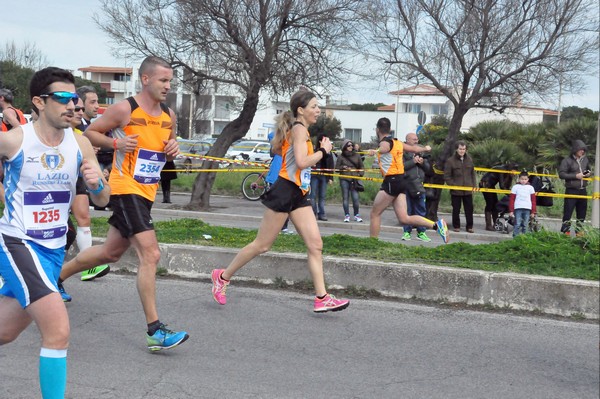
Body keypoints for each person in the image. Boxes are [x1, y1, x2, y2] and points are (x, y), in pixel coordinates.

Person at [57, 56, 189, 351]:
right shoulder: (124, 109)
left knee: (111, 252)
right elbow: (89, 133)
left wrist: (172, 149)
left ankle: (56, 278)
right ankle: (155, 331)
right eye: (163, 81)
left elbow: (166, 150)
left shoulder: (168, 114)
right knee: (150, 254)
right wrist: (116, 144)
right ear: (145, 79)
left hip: (147, 191)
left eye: (170, 81)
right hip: (125, 187)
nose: (168, 86)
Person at [0, 67, 110, 398]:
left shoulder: (80, 143)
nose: (72, 105)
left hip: (53, 249)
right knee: (58, 331)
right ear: (39, 102)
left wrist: (96, 183)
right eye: (62, 98)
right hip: (17, 242)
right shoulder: (15, 139)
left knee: (4, 332)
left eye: (74, 98)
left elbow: (103, 199)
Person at [211, 89, 350, 313]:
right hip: (285, 191)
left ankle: (321, 297)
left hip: (299, 193)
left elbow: (283, 153)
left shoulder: (298, 130)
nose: (318, 110)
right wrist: (324, 151)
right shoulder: (298, 129)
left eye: (318, 107)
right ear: (301, 110)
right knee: (262, 245)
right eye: (314, 107)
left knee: (315, 245)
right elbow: (304, 162)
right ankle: (222, 277)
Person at [369, 117, 449, 243]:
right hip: (401, 181)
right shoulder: (398, 142)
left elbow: (384, 148)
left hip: (391, 181)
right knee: (404, 218)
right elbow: (414, 149)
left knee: (375, 213)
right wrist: (425, 149)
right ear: (390, 129)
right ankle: (436, 225)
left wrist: (376, 151)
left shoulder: (385, 142)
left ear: (377, 129)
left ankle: (372, 243)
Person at [66, 96, 110, 287]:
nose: (80, 112)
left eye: (81, 109)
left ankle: (87, 267)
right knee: (66, 233)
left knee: (84, 219)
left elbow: (102, 200)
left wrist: (98, 181)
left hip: (77, 179)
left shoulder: (81, 136)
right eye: (77, 109)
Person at [402, 132, 432, 242]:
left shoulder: (421, 150)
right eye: (414, 139)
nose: (416, 141)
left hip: (419, 185)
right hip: (406, 185)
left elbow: (428, 169)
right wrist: (413, 161)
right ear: (407, 140)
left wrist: (422, 162)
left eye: (417, 139)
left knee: (421, 210)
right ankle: (406, 232)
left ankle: (421, 232)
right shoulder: (402, 151)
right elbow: (400, 167)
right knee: (407, 210)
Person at [558, 139, 591, 235]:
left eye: (584, 150)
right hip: (571, 190)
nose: (582, 151)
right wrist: (575, 176)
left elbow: (588, 169)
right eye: (581, 149)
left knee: (582, 213)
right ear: (575, 150)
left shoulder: (585, 160)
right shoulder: (566, 161)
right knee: (568, 212)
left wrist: (588, 173)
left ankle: (579, 231)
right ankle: (565, 231)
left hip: (582, 190)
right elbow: (561, 174)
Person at [444, 141, 477, 233]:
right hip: (456, 191)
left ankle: (469, 227)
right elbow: (447, 176)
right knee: (456, 209)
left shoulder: (469, 159)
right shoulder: (450, 161)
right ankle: (456, 226)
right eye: (460, 149)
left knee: (469, 209)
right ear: (456, 149)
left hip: (468, 190)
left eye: (464, 149)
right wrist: (453, 185)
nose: (462, 151)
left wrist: (474, 185)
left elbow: (472, 173)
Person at [265, 131, 293, 234]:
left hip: (284, 177)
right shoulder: (279, 146)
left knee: (283, 204)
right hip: (278, 177)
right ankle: (277, 227)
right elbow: (272, 135)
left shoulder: (287, 148)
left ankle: (282, 227)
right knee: (279, 204)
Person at [335, 139, 364, 223]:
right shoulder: (341, 156)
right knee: (345, 198)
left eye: (352, 145)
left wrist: (360, 174)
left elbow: (361, 166)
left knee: (355, 198)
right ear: (345, 147)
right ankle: (347, 215)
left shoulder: (357, 155)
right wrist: (342, 167)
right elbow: (336, 169)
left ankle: (356, 215)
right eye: (349, 145)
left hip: (354, 179)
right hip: (344, 179)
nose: (351, 147)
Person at [479, 164, 515, 231]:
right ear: (510, 170)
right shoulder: (502, 170)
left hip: (491, 185)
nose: (514, 174)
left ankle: (496, 223)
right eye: (514, 172)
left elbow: (506, 187)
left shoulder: (507, 173)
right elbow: (501, 186)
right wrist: (510, 194)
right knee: (490, 204)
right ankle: (488, 225)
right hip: (485, 184)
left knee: (495, 203)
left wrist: (510, 193)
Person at [309, 133, 334, 221]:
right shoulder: (314, 151)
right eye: (325, 140)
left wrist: (331, 178)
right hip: (314, 175)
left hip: (324, 175)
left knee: (322, 196)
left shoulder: (329, 153)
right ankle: (313, 212)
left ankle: (322, 213)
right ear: (320, 141)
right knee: (313, 195)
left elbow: (331, 165)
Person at [509, 171, 536, 237]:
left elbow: (533, 200)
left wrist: (533, 212)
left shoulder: (531, 188)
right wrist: (511, 211)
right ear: (519, 179)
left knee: (525, 224)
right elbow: (512, 199)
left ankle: (525, 238)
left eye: (525, 179)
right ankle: (515, 237)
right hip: (518, 207)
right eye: (522, 179)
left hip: (527, 208)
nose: (523, 181)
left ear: (528, 179)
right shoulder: (515, 187)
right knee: (517, 223)